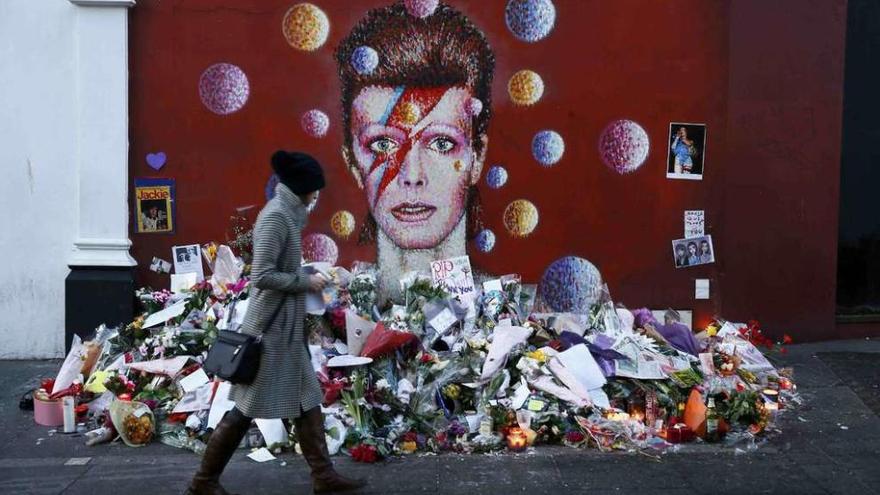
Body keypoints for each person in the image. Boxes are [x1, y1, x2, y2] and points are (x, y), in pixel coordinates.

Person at [186, 151, 365, 495]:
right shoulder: (276, 218)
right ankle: (203, 482)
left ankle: (323, 477)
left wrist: (304, 276)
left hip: (285, 330)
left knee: (308, 401)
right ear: (303, 189)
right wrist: (305, 281)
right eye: (315, 190)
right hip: (269, 332)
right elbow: (262, 276)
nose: (317, 197)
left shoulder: (288, 215)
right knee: (245, 409)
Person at [335, 3, 495, 303]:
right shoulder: (329, 313)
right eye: (383, 145)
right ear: (353, 163)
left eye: (442, 144)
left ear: (477, 157)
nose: (412, 176)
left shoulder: (514, 314)